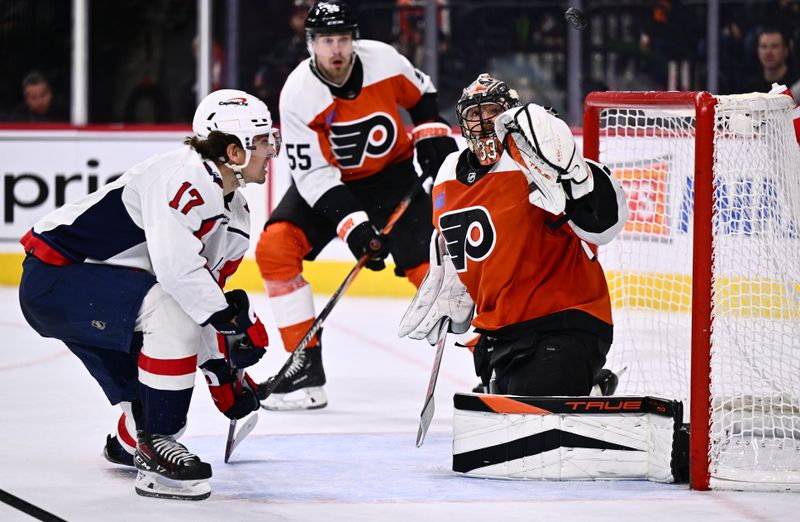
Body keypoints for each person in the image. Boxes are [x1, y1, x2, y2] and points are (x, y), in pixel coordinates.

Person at [18, 89, 280, 500]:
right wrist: (230, 327)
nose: (272, 150)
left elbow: (202, 301)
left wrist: (224, 372)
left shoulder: (238, 216)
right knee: (172, 319)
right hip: (57, 281)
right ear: (234, 150)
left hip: (110, 290)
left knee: (166, 376)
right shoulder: (181, 176)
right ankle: (156, 449)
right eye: (263, 140)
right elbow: (181, 278)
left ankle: (132, 441)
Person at [254, 0, 457, 411]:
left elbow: (422, 95)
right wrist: (356, 228)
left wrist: (431, 134)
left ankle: (504, 360)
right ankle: (304, 369)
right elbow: (314, 177)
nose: (337, 50)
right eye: (327, 40)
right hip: (331, 184)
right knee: (276, 248)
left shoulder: (383, 60)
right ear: (311, 44)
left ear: (354, 40)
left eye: (343, 39)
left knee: (432, 269)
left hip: (393, 178)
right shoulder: (298, 94)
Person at [399, 74, 629, 397]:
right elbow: (460, 247)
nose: (483, 122)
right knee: (503, 408)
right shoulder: (448, 174)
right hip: (504, 332)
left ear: (510, 113)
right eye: (474, 115)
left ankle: (583, 383)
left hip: (565, 318)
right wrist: (455, 286)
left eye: (492, 111)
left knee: (529, 410)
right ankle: (586, 381)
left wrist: (576, 174)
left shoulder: (534, 157)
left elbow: (605, 224)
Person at [741, 27, 800, 99]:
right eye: (763, 46)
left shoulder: (797, 83)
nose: (768, 52)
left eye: (774, 46)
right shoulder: (749, 87)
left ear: (786, 50)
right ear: (757, 51)